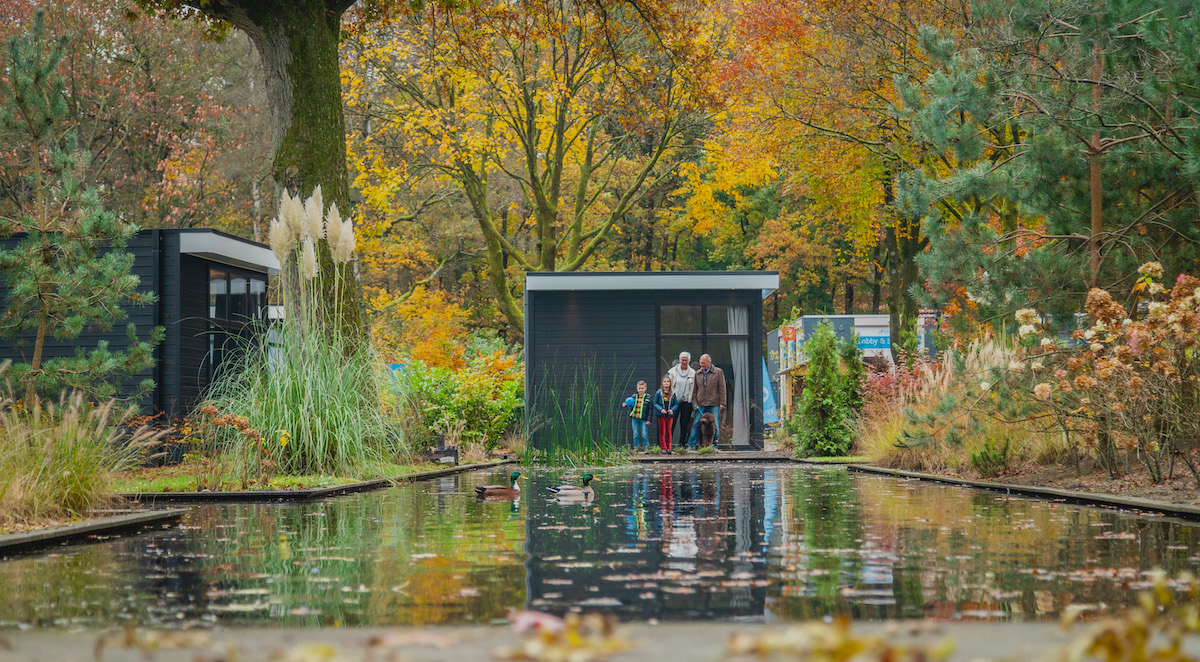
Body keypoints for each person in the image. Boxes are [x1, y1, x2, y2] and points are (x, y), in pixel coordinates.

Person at [687, 353, 726, 449]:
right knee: (696, 424)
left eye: (703, 363)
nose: (701, 365)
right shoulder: (697, 373)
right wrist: (694, 403)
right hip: (700, 404)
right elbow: (695, 390)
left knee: (715, 426)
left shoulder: (718, 372)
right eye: (700, 363)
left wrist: (722, 403)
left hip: (714, 403)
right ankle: (691, 446)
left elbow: (722, 388)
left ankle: (714, 446)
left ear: (709, 362)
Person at [667, 351, 697, 450]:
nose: (684, 362)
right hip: (675, 401)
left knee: (684, 424)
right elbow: (668, 385)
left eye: (686, 360)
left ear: (689, 361)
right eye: (682, 360)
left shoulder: (693, 373)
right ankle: (668, 444)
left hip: (687, 402)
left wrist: (693, 401)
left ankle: (682, 444)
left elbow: (695, 388)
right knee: (672, 422)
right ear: (679, 360)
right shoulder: (672, 372)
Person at [622, 379, 652, 452]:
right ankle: (636, 447)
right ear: (637, 388)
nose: (641, 390)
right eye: (639, 388)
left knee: (644, 434)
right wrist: (625, 404)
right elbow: (629, 403)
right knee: (635, 434)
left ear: (645, 388)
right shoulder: (634, 396)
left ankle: (646, 448)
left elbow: (650, 410)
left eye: (642, 388)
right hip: (634, 418)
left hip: (643, 418)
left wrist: (649, 420)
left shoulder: (648, 397)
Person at [653, 376, 679, 454]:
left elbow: (676, 404)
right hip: (661, 415)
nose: (666, 383)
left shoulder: (673, 393)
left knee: (668, 431)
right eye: (664, 381)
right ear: (662, 383)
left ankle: (669, 447)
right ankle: (663, 447)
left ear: (670, 383)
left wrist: (672, 410)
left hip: (669, 415)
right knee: (662, 431)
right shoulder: (658, 393)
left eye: (668, 381)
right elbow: (655, 403)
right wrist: (661, 409)